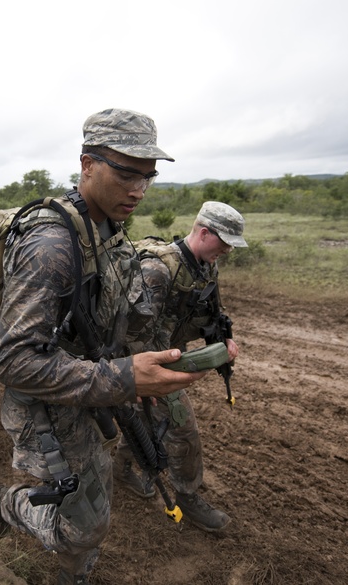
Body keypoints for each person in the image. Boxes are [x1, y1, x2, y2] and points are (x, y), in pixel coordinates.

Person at [0, 109, 209, 585]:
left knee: (87, 512)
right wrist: (124, 377)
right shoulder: (53, 245)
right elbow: (14, 360)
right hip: (48, 404)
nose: (138, 189)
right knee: (85, 525)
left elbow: (116, 315)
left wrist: (145, 371)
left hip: (88, 386)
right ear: (87, 165)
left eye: (148, 176)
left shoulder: (106, 229)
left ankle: (71, 573)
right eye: (125, 172)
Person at [117, 201, 248, 532]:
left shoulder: (205, 266)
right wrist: (148, 382)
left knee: (146, 422)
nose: (229, 250)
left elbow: (211, 312)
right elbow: (132, 335)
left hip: (172, 356)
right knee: (182, 429)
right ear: (204, 233)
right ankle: (188, 498)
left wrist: (223, 340)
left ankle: (121, 468)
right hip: (146, 362)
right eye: (225, 242)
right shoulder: (158, 271)